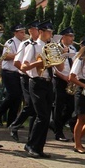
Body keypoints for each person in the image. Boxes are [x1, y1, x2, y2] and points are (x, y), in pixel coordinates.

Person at [21, 20, 55, 159]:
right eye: (48, 32)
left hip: (48, 82)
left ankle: (39, 147)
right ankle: (31, 145)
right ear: (41, 32)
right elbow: (24, 67)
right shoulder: (33, 46)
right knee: (41, 116)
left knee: (46, 118)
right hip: (36, 82)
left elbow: (57, 67)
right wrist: (39, 62)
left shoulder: (50, 47)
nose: (50, 34)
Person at [9, 20, 39, 141]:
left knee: (35, 108)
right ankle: (14, 125)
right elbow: (17, 62)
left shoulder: (40, 44)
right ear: (31, 30)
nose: (38, 32)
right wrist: (28, 72)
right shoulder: (25, 44)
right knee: (30, 104)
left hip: (36, 78)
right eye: (36, 29)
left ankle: (31, 136)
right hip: (26, 77)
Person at [0, 24, 25, 130]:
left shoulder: (23, 43)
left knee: (17, 98)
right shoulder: (10, 42)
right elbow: (5, 56)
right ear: (15, 33)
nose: (23, 34)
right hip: (9, 72)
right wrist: (17, 55)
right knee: (12, 95)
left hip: (18, 73)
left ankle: (12, 122)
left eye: (23, 32)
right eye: (21, 32)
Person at [52, 26, 77, 143]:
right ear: (64, 37)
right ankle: (58, 132)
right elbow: (53, 67)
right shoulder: (56, 48)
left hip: (70, 80)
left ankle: (57, 124)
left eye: (73, 36)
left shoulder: (73, 49)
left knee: (71, 107)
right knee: (59, 106)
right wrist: (63, 77)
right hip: (59, 79)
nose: (72, 38)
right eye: (70, 36)